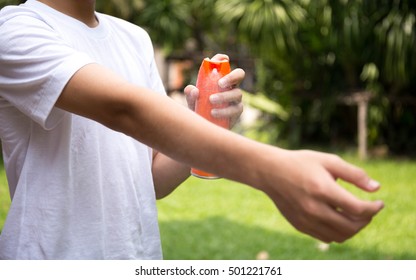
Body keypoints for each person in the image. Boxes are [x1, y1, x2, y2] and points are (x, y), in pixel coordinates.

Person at [0, 0, 384, 260]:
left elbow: (150, 180)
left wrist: (208, 121)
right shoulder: (15, 29)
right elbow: (125, 110)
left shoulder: (133, 39)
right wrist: (273, 170)